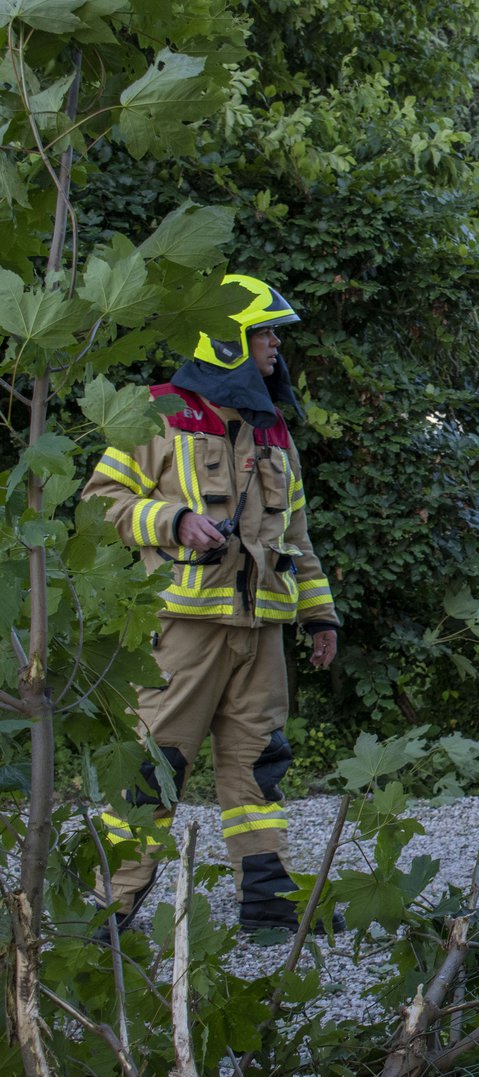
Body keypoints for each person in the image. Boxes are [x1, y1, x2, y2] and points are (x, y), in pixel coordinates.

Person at [84, 274, 342, 934]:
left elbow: (298, 535)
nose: (275, 344)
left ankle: (268, 906)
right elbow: (101, 503)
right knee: (155, 769)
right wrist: (172, 521)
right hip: (182, 631)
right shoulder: (158, 410)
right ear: (228, 340)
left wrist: (319, 615)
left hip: (261, 633)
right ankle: (108, 911)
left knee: (259, 768)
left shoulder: (271, 428)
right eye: (264, 332)